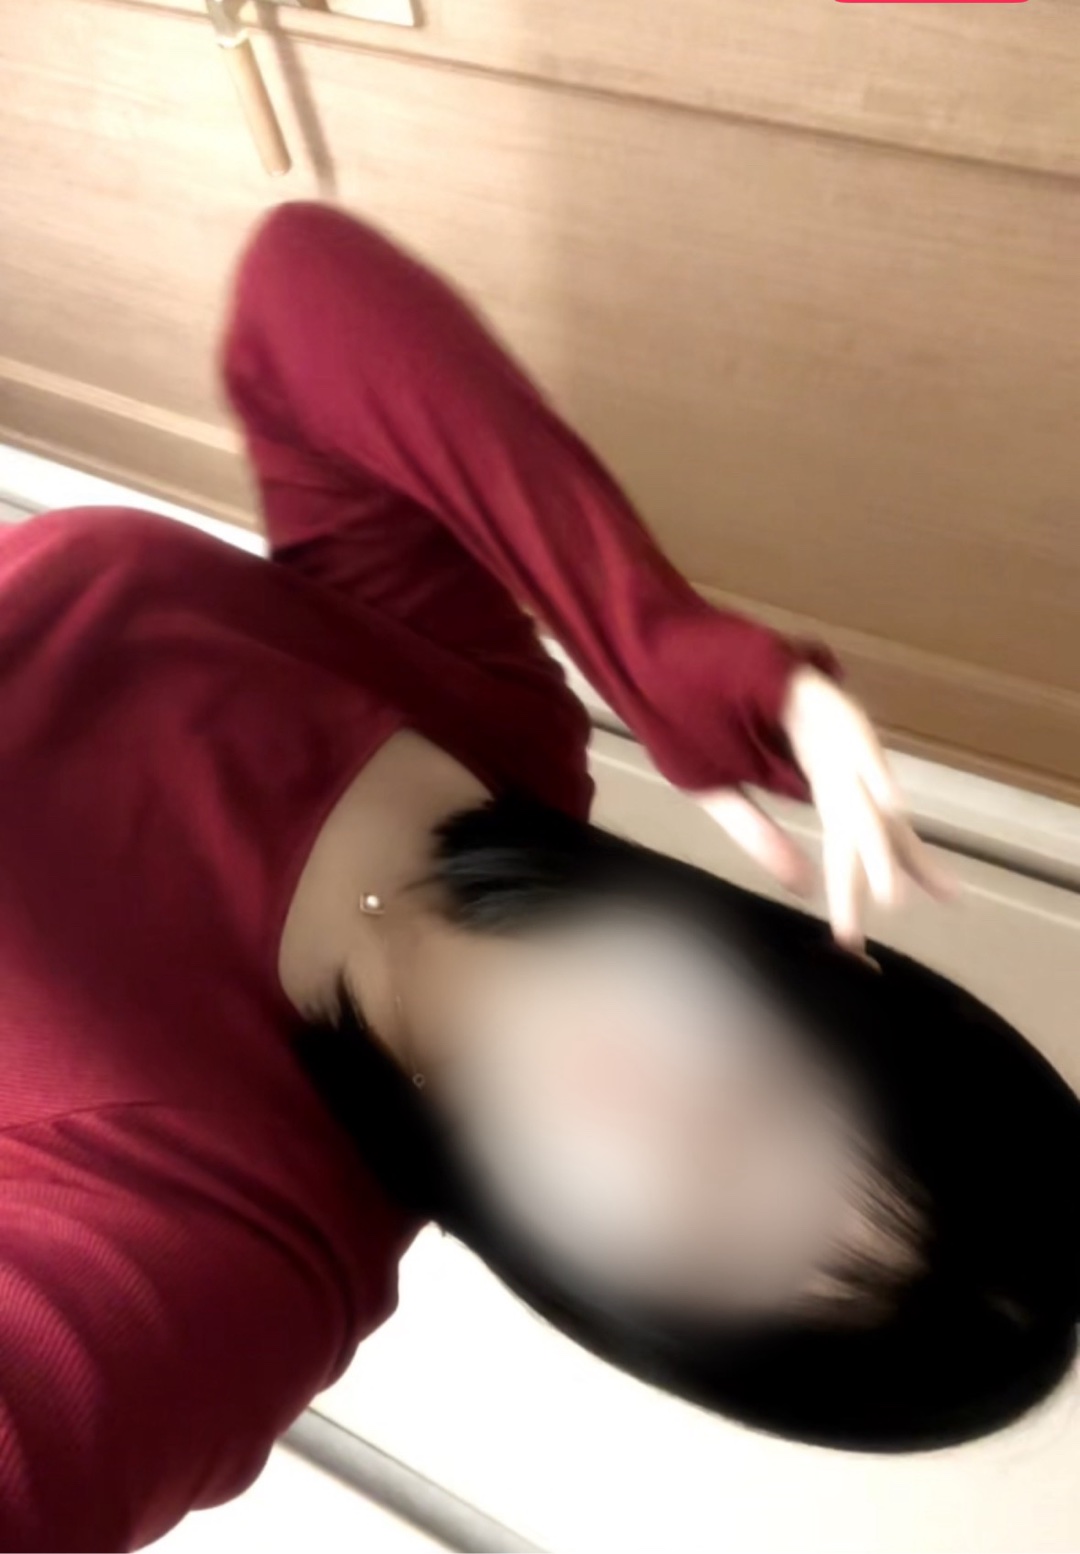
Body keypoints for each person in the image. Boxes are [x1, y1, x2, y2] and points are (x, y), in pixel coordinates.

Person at [0, 202, 1075, 1551]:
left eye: (698, 1237)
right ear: (796, 976)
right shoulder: (494, 723)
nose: (661, 1136)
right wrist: (648, 641)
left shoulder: (236, 1254)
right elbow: (301, 293)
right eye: (758, 1097)